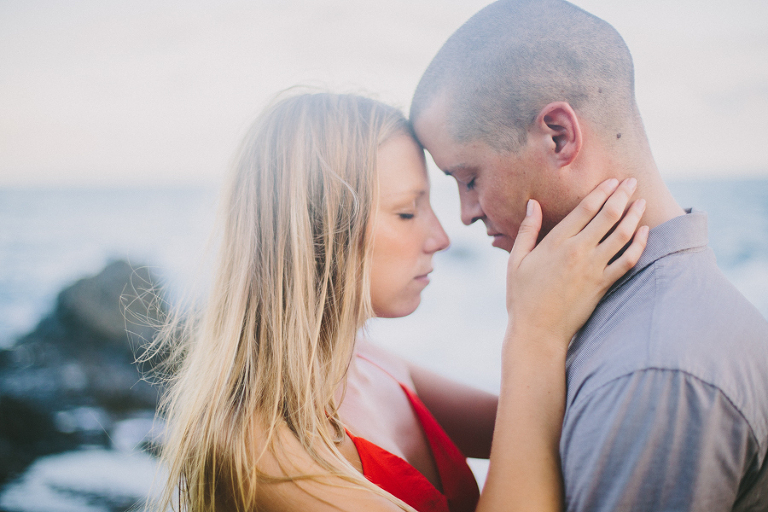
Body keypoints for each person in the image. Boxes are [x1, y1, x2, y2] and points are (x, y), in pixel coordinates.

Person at [148, 92, 647, 512]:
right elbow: (532, 417)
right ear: (320, 231)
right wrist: (534, 333)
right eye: (408, 212)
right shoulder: (262, 447)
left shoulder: (370, 363)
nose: (439, 237)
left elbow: (546, 425)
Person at [410, 1, 768, 510]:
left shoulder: (651, 374)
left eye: (470, 178)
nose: (466, 215)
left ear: (558, 136)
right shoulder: (636, 317)